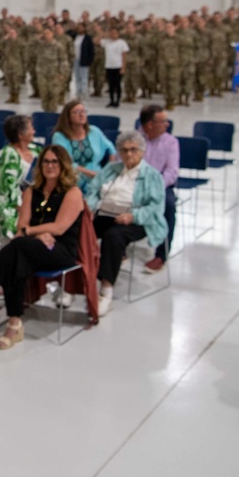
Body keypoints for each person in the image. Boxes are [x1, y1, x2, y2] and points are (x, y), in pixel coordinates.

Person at [0, 145, 84, 350]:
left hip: (60, 251)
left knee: (18, 245)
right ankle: (14, 323)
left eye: (54, 161)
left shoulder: (72, 192)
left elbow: (59, 228)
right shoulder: (32, 191)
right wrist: (37, 233)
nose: (49, 166)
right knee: (18, 259)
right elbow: (21, 225)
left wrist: (32, 232)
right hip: (33, 247)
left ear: (63, 165)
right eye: (45, 161)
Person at [85, 131, 167, 316]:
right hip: (105, 213)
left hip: (136, 220)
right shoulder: (111, 169)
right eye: (124, 150)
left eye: (133, 150)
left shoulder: (151, 175)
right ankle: (73, 283)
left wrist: (134, 215)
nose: (129, 154)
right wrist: (91, 208)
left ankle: (106, 290)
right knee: (81, 230)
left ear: (142, 151)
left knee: (113, 236)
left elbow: (155, 207)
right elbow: (93, 190)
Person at [0, 115, 41, 246]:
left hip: (33, 200)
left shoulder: (37, 150)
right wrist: (25, 208)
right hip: (11, 205)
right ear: (20, 134)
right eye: (31, 128)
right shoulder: (8, 154)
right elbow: (9, 189)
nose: (34, 131)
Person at [139, 104, 178, 273]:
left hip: (160, 185)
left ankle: (161, 255)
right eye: (163, 121)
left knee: (169, 205)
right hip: (135, 183)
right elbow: (121, 162)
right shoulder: (134, 140)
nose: (167, 124)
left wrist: (154, 186)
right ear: (149, 125)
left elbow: (171, 172)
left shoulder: (170, 142)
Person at [52, 100, 116, 193]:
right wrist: (91, 174)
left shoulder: (94, 131)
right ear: (68, 116)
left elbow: (111, 150)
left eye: (83, 111)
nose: (81, 115)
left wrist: (108, 171)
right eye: (76, 112)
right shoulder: (59, 136)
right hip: (70, 178)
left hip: (97, 178)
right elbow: (64, 161)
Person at [100, 27, 129, 107]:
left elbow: (124, 56)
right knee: (110, 84)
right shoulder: (107, 42)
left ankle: (118, 101)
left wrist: (123, 67)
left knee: (117, 84)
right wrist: (104, 35)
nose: (113, 35)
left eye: (115, 33)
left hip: (118, 66)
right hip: (109, 66)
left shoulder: (122, 42)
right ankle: (111, 100)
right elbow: (96, 40)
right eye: (111, 33)